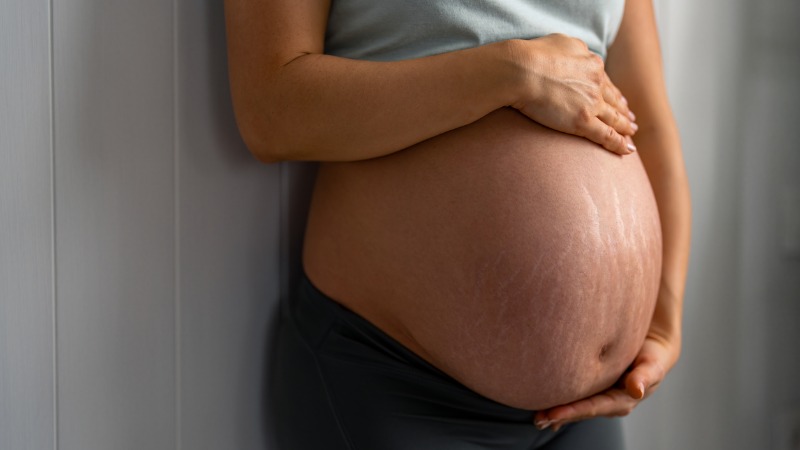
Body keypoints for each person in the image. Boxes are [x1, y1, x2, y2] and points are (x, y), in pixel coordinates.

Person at [224, 0, 691, 448]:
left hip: (585, 413)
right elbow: (271, 109)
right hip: (401, 385)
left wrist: (663, 321)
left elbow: (647, 123)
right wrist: (510, 72)